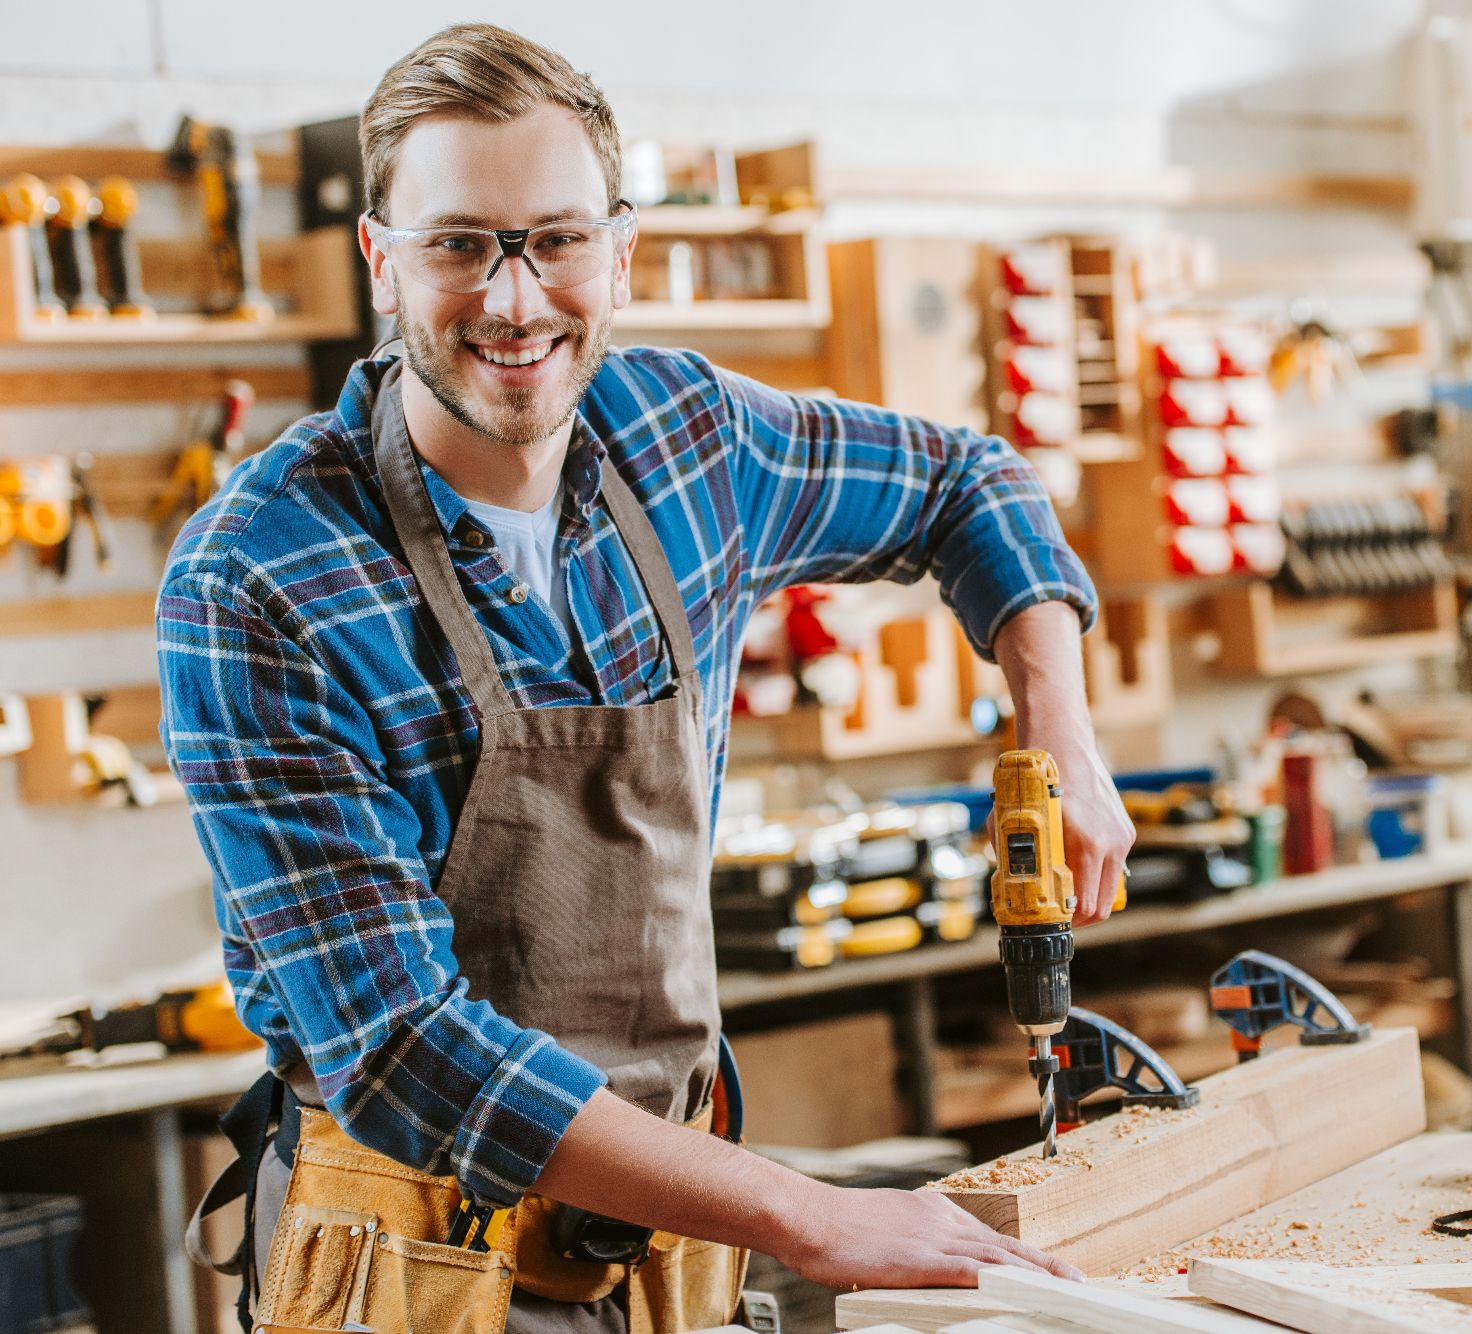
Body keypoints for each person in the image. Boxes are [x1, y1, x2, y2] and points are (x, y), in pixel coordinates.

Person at [160, 22, 1133, 1334]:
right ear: (380, 256)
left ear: (619, 249)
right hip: (419, 1265)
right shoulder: (260, 578)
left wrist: (1058, 725)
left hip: (673, 1250)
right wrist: (811, 1210)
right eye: (460, 244)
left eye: (554, 239)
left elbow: (974, 484)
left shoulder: (688, 442)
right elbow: (404, 1052)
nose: (513, 300)